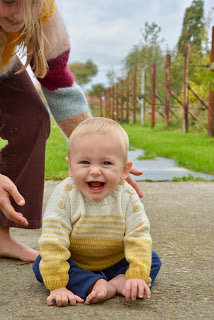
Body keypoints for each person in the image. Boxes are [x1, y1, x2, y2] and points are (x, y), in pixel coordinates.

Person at [0, 0, 142, 262]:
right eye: (9, 2)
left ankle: (0, 237)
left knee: (31, 118)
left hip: (4, 61)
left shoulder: (43, 15)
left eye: (31, 2)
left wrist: (101, 153)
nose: (21, 14)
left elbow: (59, 87)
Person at [33, 117, 161, 306]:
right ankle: (95, 283)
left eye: (106, 163)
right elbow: (54, 239)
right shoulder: (65, 195)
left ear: (125, 170)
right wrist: (57, 286)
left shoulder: (126, 194)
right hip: (76, 261)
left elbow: (138, 235)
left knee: (151, 258)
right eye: (84, 162)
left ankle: (119, 281)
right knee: (42, 262)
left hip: (116, 261)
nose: (94, 171)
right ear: (70, 166)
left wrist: (137, 275)